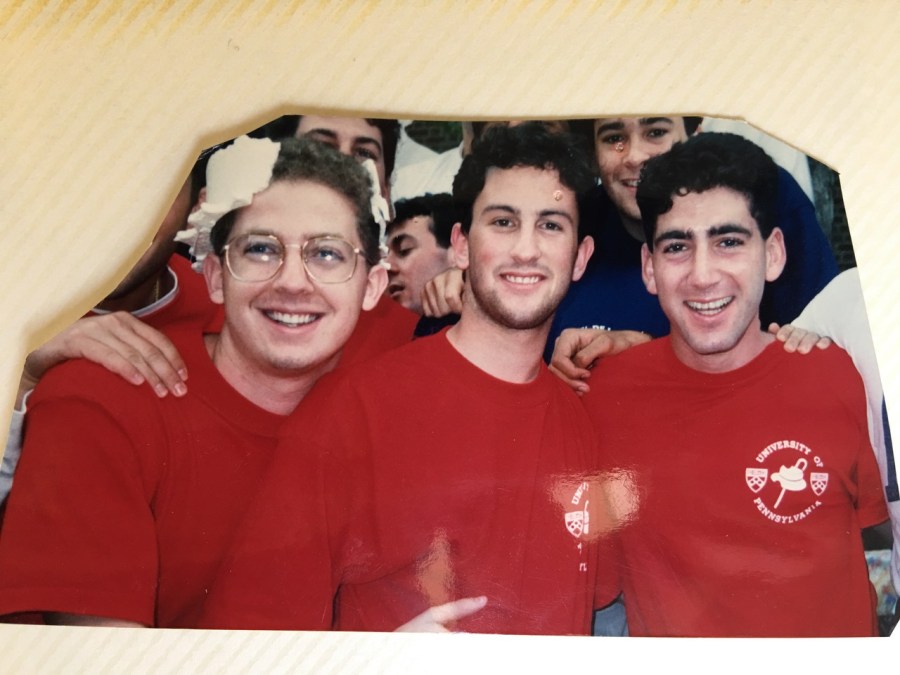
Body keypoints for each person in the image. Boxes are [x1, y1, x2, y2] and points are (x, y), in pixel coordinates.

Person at [203, 122, 607, 635]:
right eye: (503, 222)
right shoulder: (357, 407)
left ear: (581, 257)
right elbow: (247, 628)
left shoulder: (578, 424)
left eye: (551, 225)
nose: (525, 249)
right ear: (461, 246)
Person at [0, 136, 389, 628]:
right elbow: (97, 655)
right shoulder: (100, 399)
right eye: (261, 249)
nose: (293, 281)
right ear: (215, 277)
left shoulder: (390, 416)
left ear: (371, 285)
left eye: (328, 255)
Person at [582, 132, 887, 637]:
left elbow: (879, 529)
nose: (703, 275)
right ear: (649, 268)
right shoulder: (603, 396)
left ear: (772, 255)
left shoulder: (838, 374)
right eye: (677, 246)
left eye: (728, 242)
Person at [544, 115, 838, 361]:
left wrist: (651, 352)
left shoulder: (756, 191)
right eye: (613, 139)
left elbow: (821, 336)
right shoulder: (572, 221)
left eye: (656, 132)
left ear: (693, 135)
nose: (634, 156)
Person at [0, 172, 216, 502]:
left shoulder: (233, 316)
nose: (124, 214)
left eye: (154, 185)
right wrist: (21, 378)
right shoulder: (11, 295)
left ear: (197, 205)